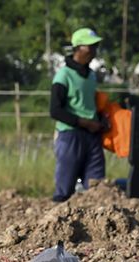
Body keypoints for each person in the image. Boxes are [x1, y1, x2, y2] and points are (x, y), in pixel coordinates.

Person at [49, 28, 107, 202]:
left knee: (96, 186)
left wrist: (98, 120)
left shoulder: (91, 76)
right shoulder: (63, 76)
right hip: (70, 135)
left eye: (95, 46)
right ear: (79, 48)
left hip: (92, 135)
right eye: (90, 46)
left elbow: (88, 104)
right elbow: (55, 110)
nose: (94, 51)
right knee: (65, 188)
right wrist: (84, 123)